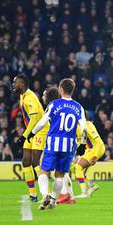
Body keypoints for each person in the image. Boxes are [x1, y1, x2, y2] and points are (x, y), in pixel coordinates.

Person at [27, 78, 88, 210]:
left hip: (53, 143)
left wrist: (31, 133)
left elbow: (42, 122)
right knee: (59, 175)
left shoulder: (54, 104)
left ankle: (45, 196)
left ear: (60, 89)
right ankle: (53, 200)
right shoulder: (79, 107)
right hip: (69, 147)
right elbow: (84, 129)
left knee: (44, 171)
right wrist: (83, 144)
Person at [12, 74, 49, 202]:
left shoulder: (30, 98)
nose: (13, 85)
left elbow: (34, 119)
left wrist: (24, 136)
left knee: (35, 162)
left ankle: (46, 194)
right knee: (26, 162)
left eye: (15, 82)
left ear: (22, 84)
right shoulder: (22, 96)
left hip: (40, 130)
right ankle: (33, 195)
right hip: (32, 131)